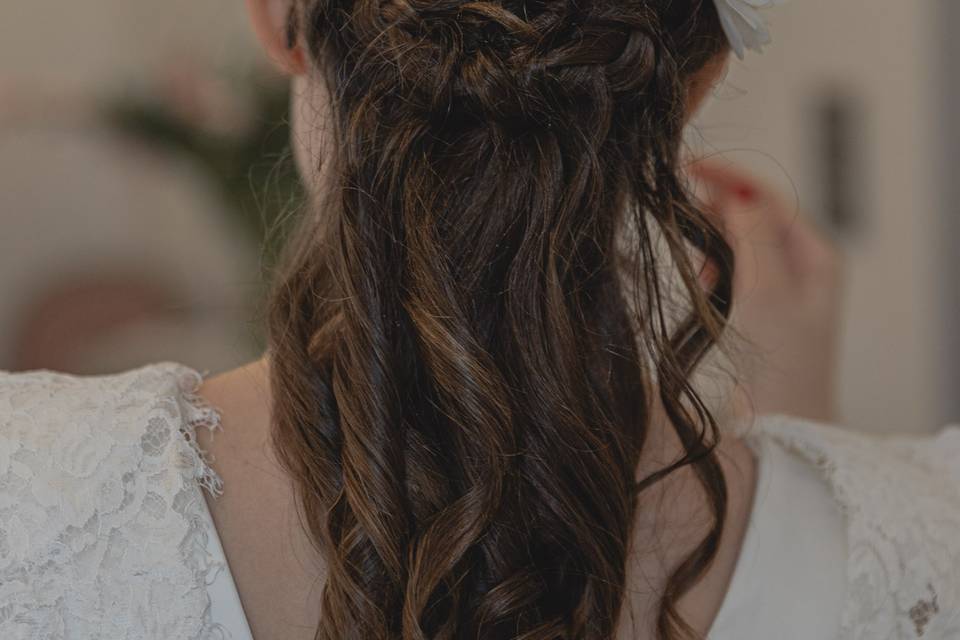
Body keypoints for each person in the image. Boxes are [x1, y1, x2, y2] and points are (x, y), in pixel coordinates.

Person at [1, 1, 958, 639]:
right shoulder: (927, 545)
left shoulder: (28, 499)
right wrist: (807, 447)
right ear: (698, 77)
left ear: (277, 19)